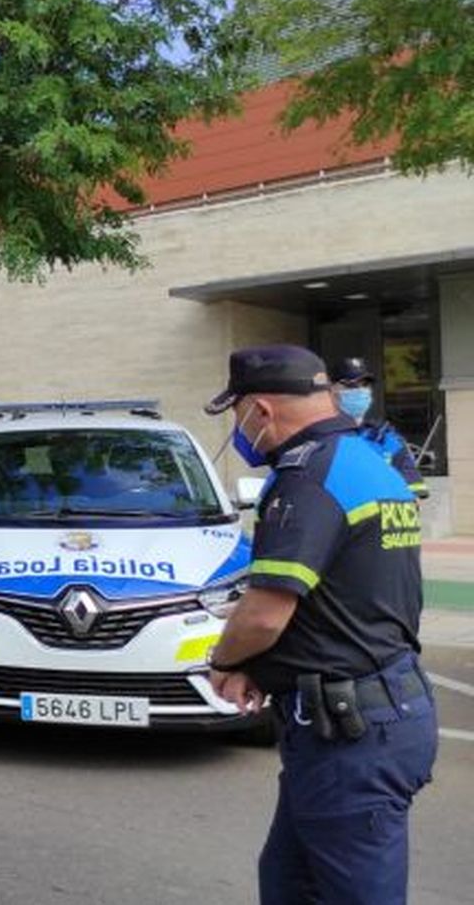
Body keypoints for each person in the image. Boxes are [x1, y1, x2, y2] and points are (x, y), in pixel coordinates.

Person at [203, 344, 436, 905]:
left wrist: (228, 662)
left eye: (237, 414)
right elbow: (348, 600)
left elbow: (263, 613)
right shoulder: (367, 461)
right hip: (369, 712)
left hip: (352, 736)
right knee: (290, 882)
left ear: (260, 410)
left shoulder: (307, 478)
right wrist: (274, 668)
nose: (241, 428)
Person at [333, 356, 429, 500]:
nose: (360, 390)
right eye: (350, 385)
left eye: (365, 384)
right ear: (331, 390)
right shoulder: (321, 437)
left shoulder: (385, 437)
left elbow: (414, 491)